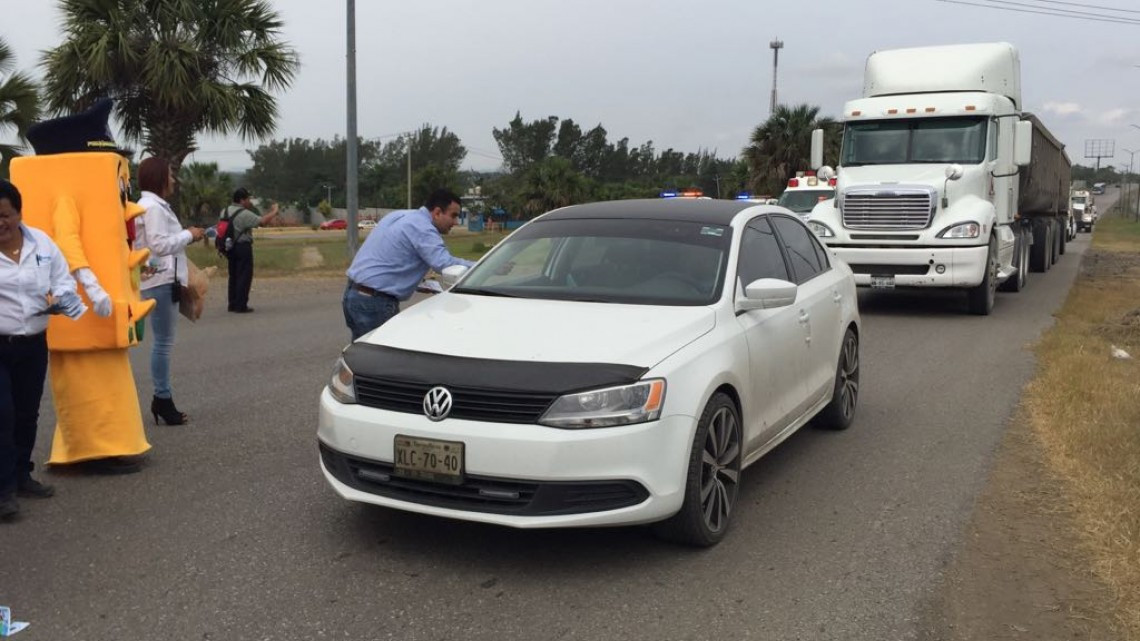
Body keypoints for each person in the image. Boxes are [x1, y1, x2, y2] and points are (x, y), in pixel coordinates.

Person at [0, 180, 88, 521]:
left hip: (33, 343)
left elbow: (62, 278)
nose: (1, 223)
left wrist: (62, 296)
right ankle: (4, 489)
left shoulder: (43, 244)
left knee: (26, 412)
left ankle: (22, 474)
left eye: (5, 215)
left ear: (18, 213)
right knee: (2, 414)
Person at [343, 189, 475, 340]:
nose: (456, 222)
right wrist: (485, 267)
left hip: (354, 294)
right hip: (375, 302)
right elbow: (444, 264)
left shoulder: (401, 215)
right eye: (453, 216)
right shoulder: (422, 227)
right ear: (437, 212)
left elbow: (392, 259)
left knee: (364, 355)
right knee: (386, 358)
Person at [135, 157, 205, 425]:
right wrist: (188, 234)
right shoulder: (152, 208)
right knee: (163, 344)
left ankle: (162, 398)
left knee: (164, 343)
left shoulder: (152, 205)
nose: (174, 180)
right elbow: (159, 245)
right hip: (160, 281)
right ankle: (162, 399)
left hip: (162, 279)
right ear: (159, 178)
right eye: (170, 175)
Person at [221, 188, 278, 313]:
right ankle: (241, 305)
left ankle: (233, 303)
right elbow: (262, 222)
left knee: (234, 275)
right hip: (242, 246)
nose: (249, 201)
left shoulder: (224, 211)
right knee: (244, 275)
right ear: (242, 200)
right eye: (247, 199)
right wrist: (274, 211)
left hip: (229, 246)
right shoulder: (244, 213)